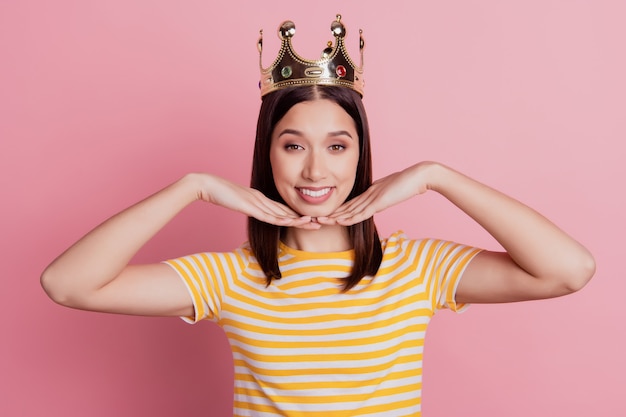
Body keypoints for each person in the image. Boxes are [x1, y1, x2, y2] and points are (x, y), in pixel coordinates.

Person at [41, 15, 595, 417]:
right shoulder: (227, 278)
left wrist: (436, 176)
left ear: (360, 154)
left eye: (336, 146)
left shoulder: (417, 268)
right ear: (267, 155)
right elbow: (66, 284)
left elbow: (567, 270)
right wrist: (193, 188)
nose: (314, 171)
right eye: (292, 145)